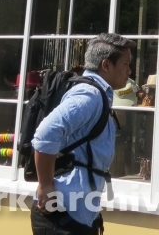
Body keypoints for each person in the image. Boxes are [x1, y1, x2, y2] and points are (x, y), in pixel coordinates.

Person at [31, 33, 133, 235]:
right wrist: (45, 186)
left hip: (77, 214)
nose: (130, 71)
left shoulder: (98, 94)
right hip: (61, 215)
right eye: (126, 64)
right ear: (106, 65)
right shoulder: (90, 95)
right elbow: (45, 134)